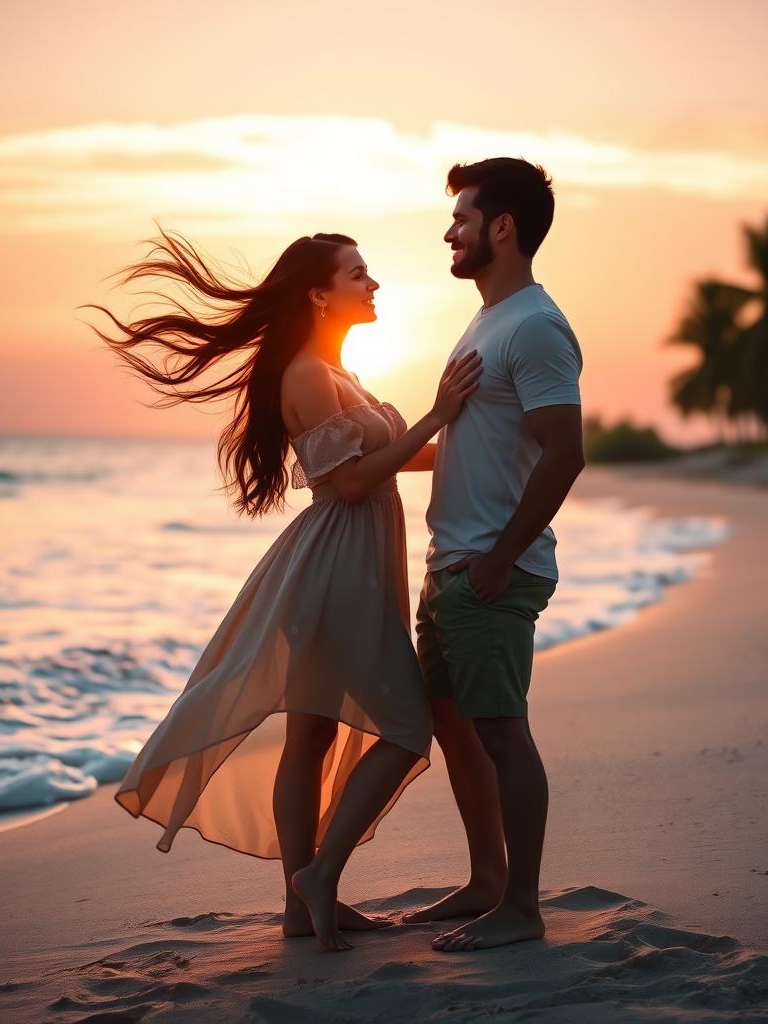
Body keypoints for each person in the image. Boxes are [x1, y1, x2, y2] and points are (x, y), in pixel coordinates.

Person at [84, 229, 481, 951]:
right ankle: (318, 876)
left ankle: (302, 902)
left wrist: (478, 439)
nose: (374, 284)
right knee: (403, 726)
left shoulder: (339, 372)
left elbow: (394, 459)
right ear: (319, 293)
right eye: (359, 274)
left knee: (314, 730)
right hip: (335, 570)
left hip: (356, 563)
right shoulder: (305, 373)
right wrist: (436, 413)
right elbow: (354, 481)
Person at [403, 158, 585, 951]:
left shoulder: (536, 326)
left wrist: (501, 558)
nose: (451, 230)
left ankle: (521, 906)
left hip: (490, 570)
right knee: (452, 723)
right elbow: (474, 444)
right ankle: (485, 879)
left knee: (502, 730)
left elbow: (564, 452)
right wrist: (364, 456)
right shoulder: (487, 319)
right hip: (454, 563)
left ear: (501, 228)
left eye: (463, 217)